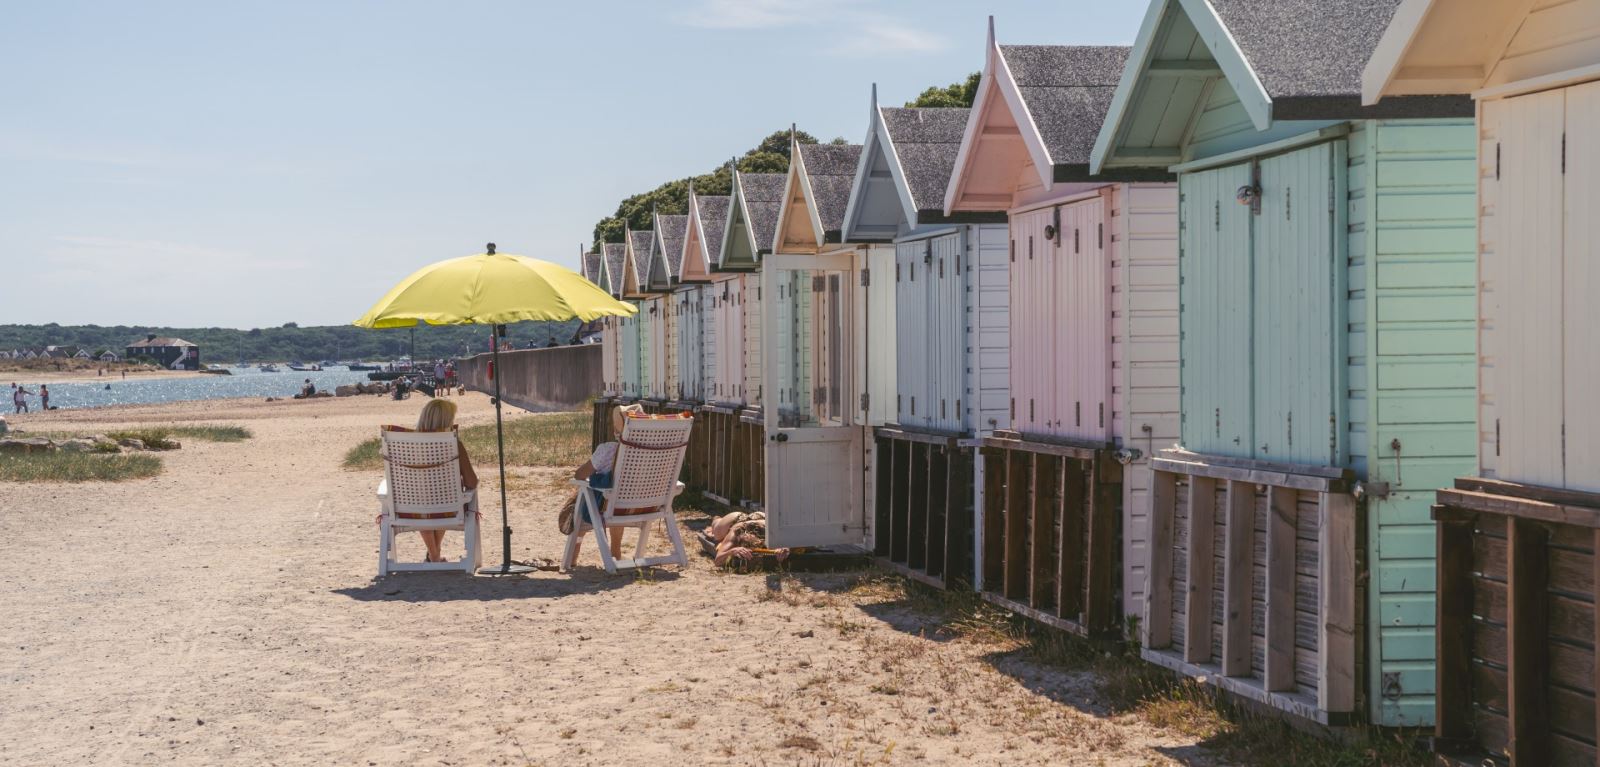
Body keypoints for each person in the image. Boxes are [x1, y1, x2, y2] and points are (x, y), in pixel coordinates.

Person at [565, 403, 646, 562]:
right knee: (618, 497)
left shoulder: (608, 450)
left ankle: (575, 550)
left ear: (616, 430)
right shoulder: (652, 453)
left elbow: (580, 474)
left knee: (584, 498)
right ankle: (616, 550)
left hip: (612, 506)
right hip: (644, 506)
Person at [403, 398, 478, 563]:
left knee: (425, 500)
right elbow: (472, 482)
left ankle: (433, 555)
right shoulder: (454, 445)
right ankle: (434, 555)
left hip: (409, 508)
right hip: (448, 507)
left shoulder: (404, 446)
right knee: (443, 495)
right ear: (446, 421)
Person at [707, 510, 789, 567]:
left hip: (760, 517)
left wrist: (784, 547)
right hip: (735, 520)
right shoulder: (736, 532)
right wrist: (732, 551)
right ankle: (716, 519)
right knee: (716, 527)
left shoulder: (770, 531)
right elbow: (717, 561)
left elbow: (791, 538)